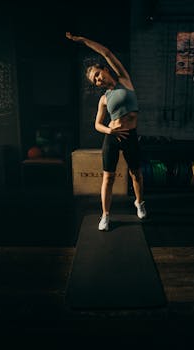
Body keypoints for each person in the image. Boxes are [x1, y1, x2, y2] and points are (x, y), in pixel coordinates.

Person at [66, 32, 147, 230]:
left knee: (136, 173)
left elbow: (106, 52)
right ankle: (106, 215)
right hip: (112, 137)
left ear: (104, 69)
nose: (98, 80)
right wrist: (110, 132)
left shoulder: (124, 80)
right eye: (95, 81)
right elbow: (97, 124)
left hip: (130, 135)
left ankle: (139, 203)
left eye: (98, 75)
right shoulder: (104, 99)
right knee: (108, 177)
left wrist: (83, 41)